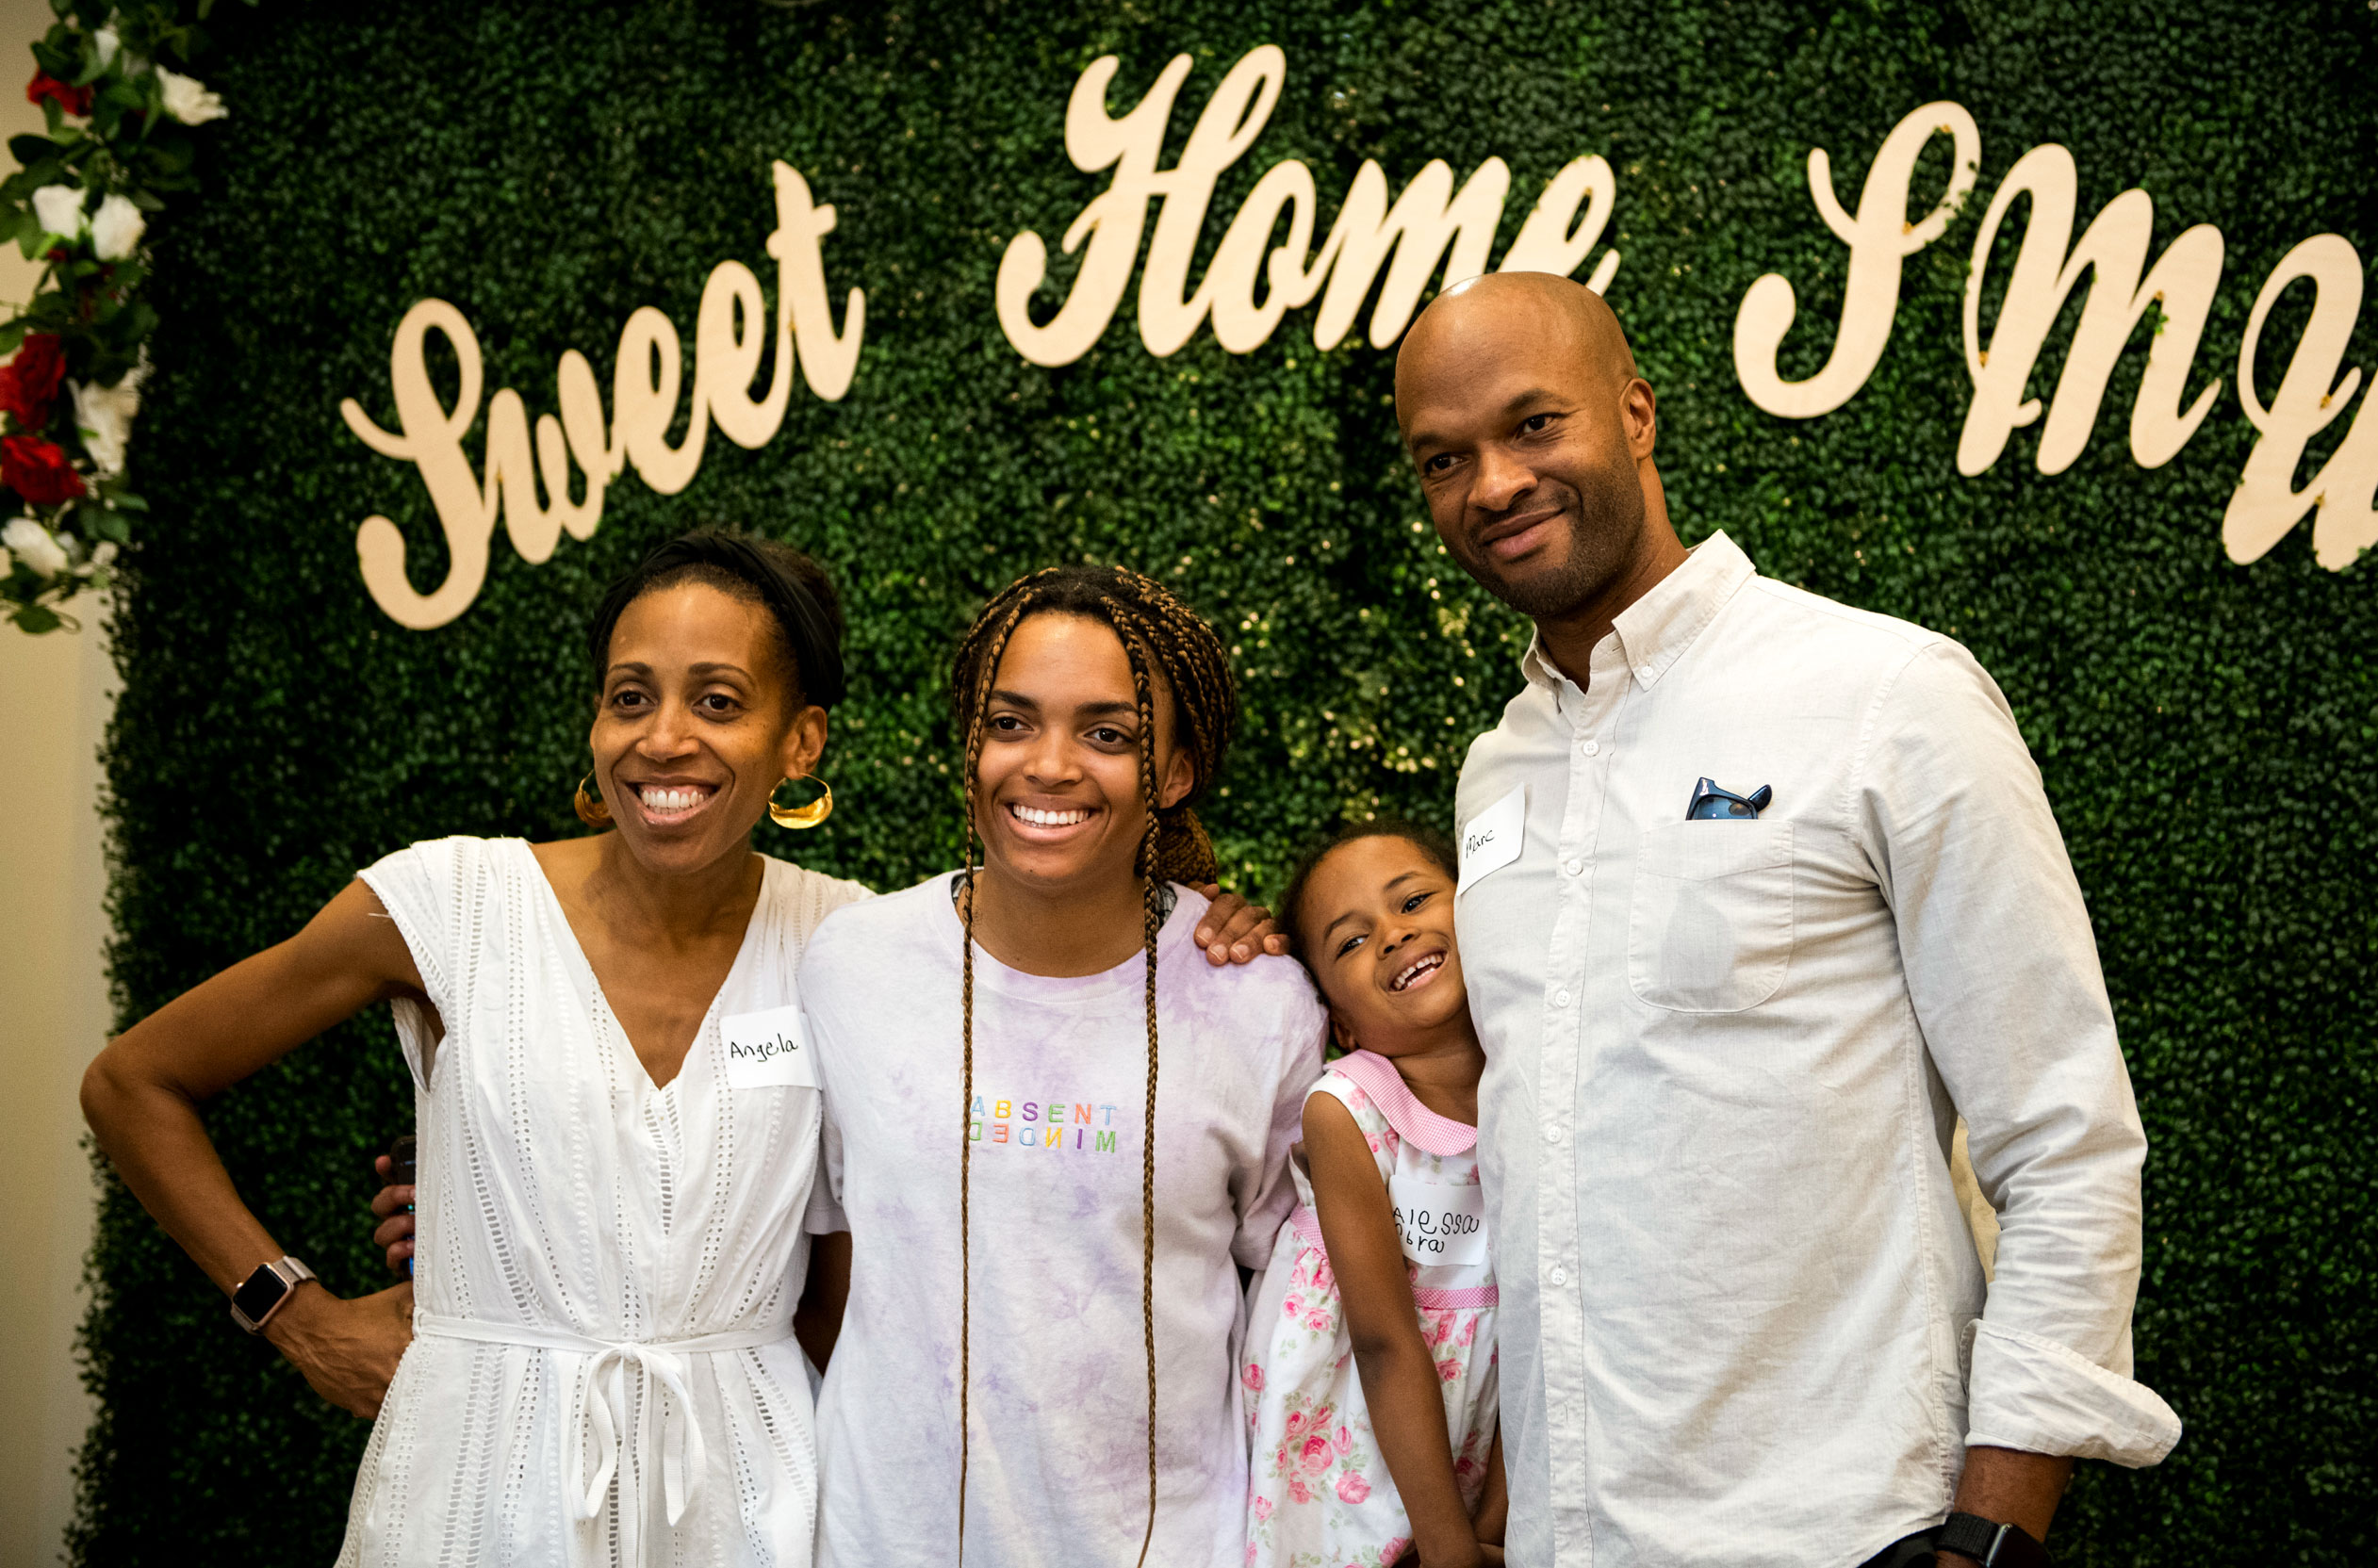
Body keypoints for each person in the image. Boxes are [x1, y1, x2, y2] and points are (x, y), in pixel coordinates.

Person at [86, 526, 1290, 1568]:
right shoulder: (447, 903)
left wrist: (1214, 935)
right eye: (629, 696)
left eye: (718, 700)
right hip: (472, 1474)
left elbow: (865, 1261)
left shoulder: (854, 943)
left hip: (748, 1491)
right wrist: (292, 1313)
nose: (665, 739)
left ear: (801, 742)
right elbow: (134, 1080)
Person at [1390, 273, 2180, 1568]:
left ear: (1635, 415)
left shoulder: (1882, 695)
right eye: (1444, 457)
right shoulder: (1502, 769)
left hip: (1847, 1531)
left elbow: (2067, 1141)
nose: (1491, 484)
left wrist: (1989, 1538)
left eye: (1534, 425)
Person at [797, 565, 1327, 1568]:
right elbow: (807, 1260)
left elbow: (1296, 1310)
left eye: (1106, 733)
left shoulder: (1258, 1007)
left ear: (1173, 772)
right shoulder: (851, 965)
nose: (1048, 765)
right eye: (1011, 722)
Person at [1242, 822, 1508, 1568]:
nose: (1393, 935)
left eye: (1415, 900)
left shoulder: (1542, 1086)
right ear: (1341, 1022)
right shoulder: (1348, 1111)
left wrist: (1495, 1529)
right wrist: (1452, 1549)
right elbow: (1383, 1341)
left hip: (1495, 1447)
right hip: (1356, 1459)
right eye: (1351, 942)